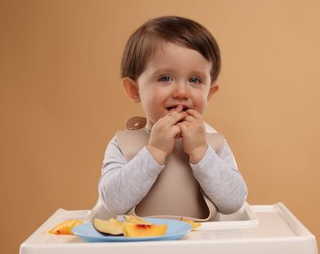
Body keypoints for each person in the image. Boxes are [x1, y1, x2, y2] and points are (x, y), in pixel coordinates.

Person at [98, 16, 247, 221]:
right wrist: (154, 152)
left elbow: (233, 203)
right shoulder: (123, 144)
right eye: (165, 78)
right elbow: (112, 202)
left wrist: (200, 152)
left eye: (195, 80)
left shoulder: (214, 145)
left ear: (209, 93)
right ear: (134, 90)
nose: (181, 92)